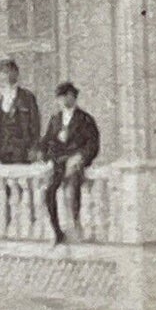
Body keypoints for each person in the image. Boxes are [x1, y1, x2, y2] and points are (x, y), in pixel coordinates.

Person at [40, 82, 101, 244]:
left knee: (73, 187)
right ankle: (57, 231)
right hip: (59, 162)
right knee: (48, 190)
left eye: (65, 96)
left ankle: (75, 225)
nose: (62, 100)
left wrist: (81, 157)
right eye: (60, 97)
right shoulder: (55, 119)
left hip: (76, 162)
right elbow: (47, 141)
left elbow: (93, 144)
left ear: (73, 96)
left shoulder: (85, 119)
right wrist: (47, 157)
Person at [0, 57, 41, 164]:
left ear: (16, 73)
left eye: (9, 71)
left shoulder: (27, 97)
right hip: (1, 149)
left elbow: (35, 125)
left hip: (21, 150)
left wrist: (34, 148)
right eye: (3, 72)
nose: (6, 75)